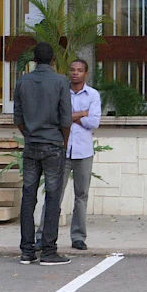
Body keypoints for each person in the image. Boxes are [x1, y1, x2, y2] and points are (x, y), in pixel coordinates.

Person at [13, 41, 73, 266]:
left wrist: (29, 135)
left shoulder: (22, 81)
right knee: (52, 197)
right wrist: (63, 142)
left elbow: (17, 118)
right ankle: (48, 251)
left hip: (31, 145)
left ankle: (26, 251)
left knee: (28, 197)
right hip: (53, 145)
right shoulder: (60, 81)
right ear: (53, 60)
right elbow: (66, 118)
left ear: (34, 60)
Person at [36, 59, 101, 251]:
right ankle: (43, 237)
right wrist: (81, 113)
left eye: (80, 70)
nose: (75, 73)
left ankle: (78, 237)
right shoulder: (59, 91)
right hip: (60, 150)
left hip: (83, 151)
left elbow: (94, 122)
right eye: (72, 70)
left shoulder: (93, 95)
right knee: (54, 194)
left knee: (81, 195)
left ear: (86, 74)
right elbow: (55, 119)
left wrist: (69, 117)